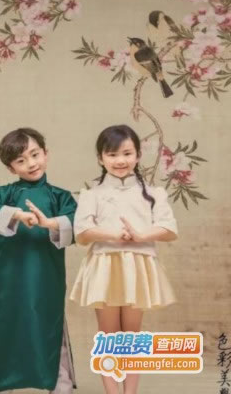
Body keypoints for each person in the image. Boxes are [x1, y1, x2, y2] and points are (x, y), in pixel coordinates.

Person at [69, 124, 177, 394]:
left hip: (137, 267)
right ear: (100, 158)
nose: (120, 160)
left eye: (127, 153)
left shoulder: (154, 193)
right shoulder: (92, 194)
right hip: (104, 265)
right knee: (107, 334)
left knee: (132, 335)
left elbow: (169, 229)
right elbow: (82, 233)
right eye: (112, 154)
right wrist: (113, 235)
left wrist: (140, 235)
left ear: (138, 155)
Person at [0, 128, 77, 393]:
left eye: (35, 155)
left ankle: (58, 379)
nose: (31, 163)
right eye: (21, 160)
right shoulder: (3, 194)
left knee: (48, 321)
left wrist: (50, 223)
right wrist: (18, 215)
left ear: (46, 153)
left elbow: (76, 223)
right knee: (6, 322)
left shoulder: (60, 196)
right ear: (11, 168)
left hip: (46, 275)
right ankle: (0, 380)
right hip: (9, 276)